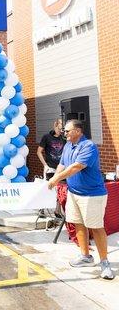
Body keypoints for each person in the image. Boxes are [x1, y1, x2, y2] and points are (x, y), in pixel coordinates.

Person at [48, 119, 114, 280]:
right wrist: (56, 177)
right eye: (64, 131)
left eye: (67, 131)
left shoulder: (88, 146)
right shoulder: (68, 146)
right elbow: (63, 165)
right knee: (78, 223)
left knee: (96, 227)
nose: (65, 133)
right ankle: (85, 256)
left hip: (92, 195)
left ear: (78, 131)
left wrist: (56, 180)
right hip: (74, 193)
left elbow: (76, 167)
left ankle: (104, 262)